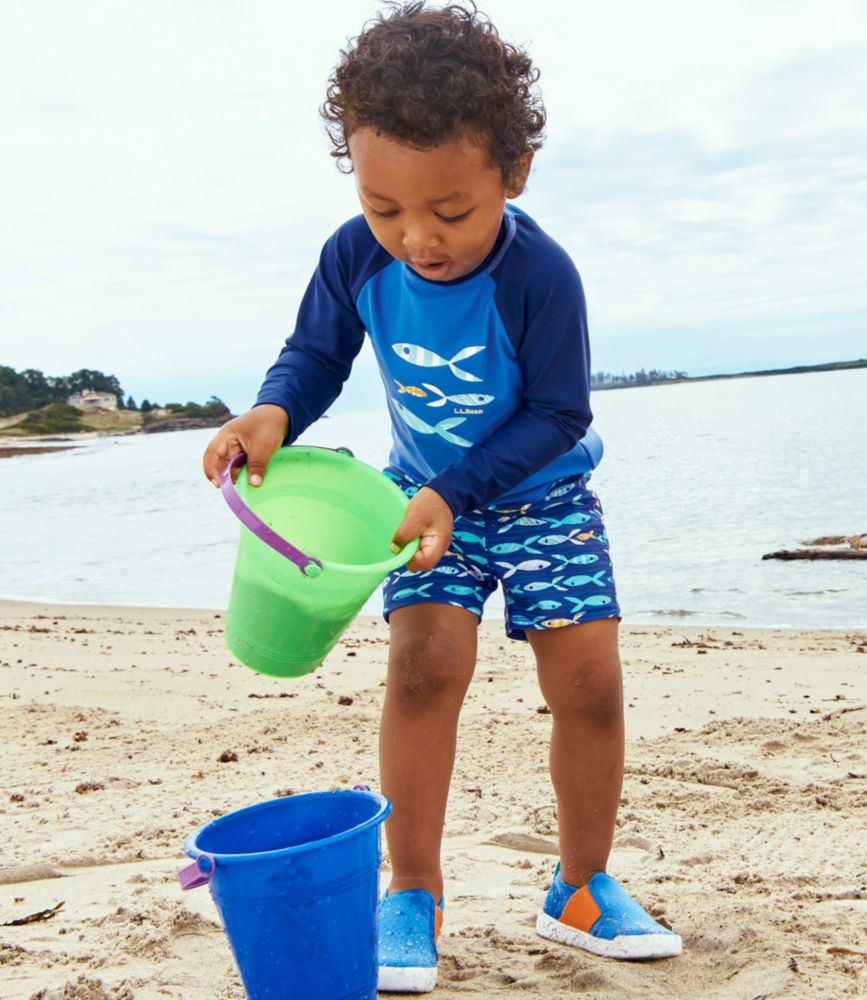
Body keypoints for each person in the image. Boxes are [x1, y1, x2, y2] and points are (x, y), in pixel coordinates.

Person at [203, 1, 681, 992]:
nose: (417, 238)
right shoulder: (354, 256)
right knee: (424, 669)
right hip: (419, 512)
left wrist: (460, 489)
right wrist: (269, 415)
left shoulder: (541, 277)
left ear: (514, 174)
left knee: (588, 685)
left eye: (450, 212)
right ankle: (410, 891)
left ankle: (582, 887)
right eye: (386, 209)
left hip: (541, 500)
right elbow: (315, 354)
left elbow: (556, 412)